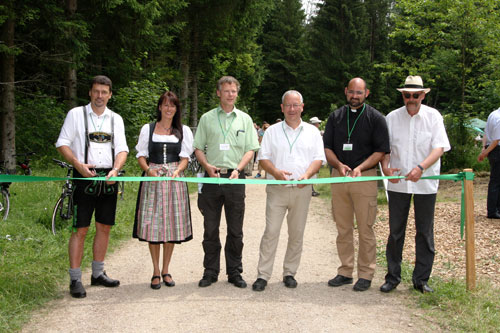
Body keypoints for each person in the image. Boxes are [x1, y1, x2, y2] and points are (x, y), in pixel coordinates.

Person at [56, 75, 129, 298]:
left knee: (104, 227)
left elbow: (122, 149)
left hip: (108, 178)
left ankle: (97, 274)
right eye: (96, 91)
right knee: (80, 229)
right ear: (90, 92)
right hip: (83, 177)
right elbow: (62, 143)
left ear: (110, 95)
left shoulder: (116, 118)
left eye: (104, 92)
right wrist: (77, 164)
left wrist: (116, 169)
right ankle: (75, 278)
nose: (100, 96)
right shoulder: (75, 115)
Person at [380, 75, 450, 293]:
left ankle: (421, 279)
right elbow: (385, 149)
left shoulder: (434, 116)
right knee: (395, 231)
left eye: (416, 95)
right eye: (407, 94)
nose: (411, 99)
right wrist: (386, 168)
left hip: (425, 184)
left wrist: (421, 168)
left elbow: (439, 148)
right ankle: (392, 277)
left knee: (425, 231)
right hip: (398, 183)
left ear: (423, 95)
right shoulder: (391, 117)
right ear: (402, 95)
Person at [252, 90, 325, 292]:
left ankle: (289, 273)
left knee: (296, 233)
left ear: (302, 107)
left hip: (302, 189)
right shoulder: (272, 131)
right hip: (277, 189)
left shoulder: (312, 132)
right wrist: (275, 173)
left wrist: (307, 175)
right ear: (282, 108)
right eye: (288, 106)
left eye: (295, 105)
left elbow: (318, 159)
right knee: (271, 232)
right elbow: (263, 159)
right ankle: (262, 274)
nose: (292, 110)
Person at [323, 77, 390, 292]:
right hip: (339, 177)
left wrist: (360, 167)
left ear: (366, 93)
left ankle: (366, 274)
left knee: (365, 228)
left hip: (365, 177)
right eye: (351, 91)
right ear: (345, 91)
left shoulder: (376, 118)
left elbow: (381, 150)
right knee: (343, 228)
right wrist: (339, 164)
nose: (354, 96)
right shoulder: (335, 117)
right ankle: (345, 271)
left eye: (359, 92)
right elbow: (327, 148)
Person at [193, 76, 260, 288]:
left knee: (235, 230)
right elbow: (197, 148)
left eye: (234, 91)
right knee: (210, 229)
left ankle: (234, 272)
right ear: (218, 93)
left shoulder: (245, 120)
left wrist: (239, 169)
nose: (230, 94)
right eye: (226, 91)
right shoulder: (207, 118)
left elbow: (251, 149)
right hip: (212, 179)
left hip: (235, 178)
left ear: (237, 94)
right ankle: (210, 272)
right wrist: (206, 166)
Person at [133, 91, 194, 289]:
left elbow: (185, 158)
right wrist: (148, 170)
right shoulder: (148, 129)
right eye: (166, 105)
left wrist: (177, 170)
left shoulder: (183, 130)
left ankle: (166, 269)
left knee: (171, 226)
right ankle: (155, 271)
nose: (169, 109)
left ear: (176, 109)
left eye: (173, 105)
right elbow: (141, 155)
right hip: (153, 180)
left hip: (174, 180)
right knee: (154, 226)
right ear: (160, 107)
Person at [478, 107, 500, 219]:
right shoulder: (498, 118)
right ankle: (493, 210)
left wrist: (483, 148)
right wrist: (484, 153)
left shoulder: (492, 114)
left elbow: (485, 133)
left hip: (492, 149)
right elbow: (496, 140)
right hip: (496, 150)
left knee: (496, 181)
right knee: (496, 181)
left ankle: (496, 208)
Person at [309, 116, 323, 196]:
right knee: (312, 173)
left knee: (313, 174)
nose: (318, 125)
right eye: (317, 123)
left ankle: (311, 189)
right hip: (313, 157)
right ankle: (311, 190)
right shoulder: (314, 131)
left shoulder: (310, 131)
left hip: (313, 156)